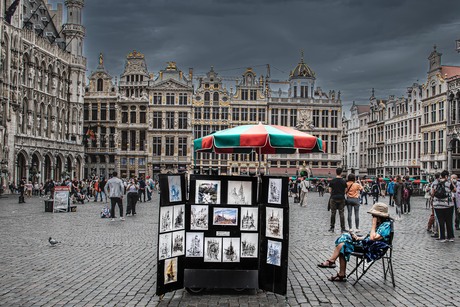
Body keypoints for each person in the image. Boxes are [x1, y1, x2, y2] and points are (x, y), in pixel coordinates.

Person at [317, 202, 392, 282]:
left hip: (372, 249)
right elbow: (369, 237)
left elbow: (373, 238)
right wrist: (358, 238)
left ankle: (335, 266)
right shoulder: (381, 224)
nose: (372, 217)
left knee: (344, 244)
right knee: (345, 236)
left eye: (374, 215)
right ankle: (335, 266)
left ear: (379, 216)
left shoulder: (386, 225)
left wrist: (373, 224)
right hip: (368, 244)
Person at [431, 170, 455, 242]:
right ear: (447, 176)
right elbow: (454, 190)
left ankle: (442, 237)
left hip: (437, 205)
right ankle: (450, 237)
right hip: (448, 205)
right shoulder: (448, 183)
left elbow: (432, 193)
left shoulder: (435, 183)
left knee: (440, 221)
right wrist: (452, 183)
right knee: (449, 220)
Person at [328, 168, 347, 233]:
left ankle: (332, 227)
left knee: (333, 213)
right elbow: (345, 190)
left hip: (333, 198)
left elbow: (330, 190)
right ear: (341, 173)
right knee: (341, 213)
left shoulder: (332, 181)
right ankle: (343, 228)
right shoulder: (343, 181)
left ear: (336, 172)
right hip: (341, 198)